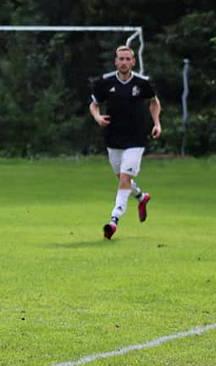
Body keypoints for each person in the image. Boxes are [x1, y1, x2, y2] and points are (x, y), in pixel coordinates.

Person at [89, 45, 161, 240]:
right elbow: (94, 104)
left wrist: (157, 123)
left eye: (127, 59)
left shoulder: (142, 83)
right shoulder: (105, 82)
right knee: (123, 179)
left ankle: (113, 221)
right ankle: (141, 196)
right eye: (120, 59)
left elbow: (154, 102)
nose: (123, 62)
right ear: (115, 61)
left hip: (136, 138)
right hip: (113, 138)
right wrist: (97, 117)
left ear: (133, 61)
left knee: (123, 179)